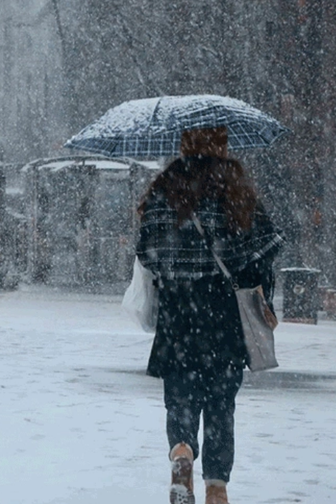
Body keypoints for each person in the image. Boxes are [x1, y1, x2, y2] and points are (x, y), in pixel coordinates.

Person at [135, 127, 284, 504]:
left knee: (181, 395)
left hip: (179, 313)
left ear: (185, 146)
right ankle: (216, 486)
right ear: (223, 145)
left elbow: (147, 253)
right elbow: (263, 250)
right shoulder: (236, 189)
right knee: (220, 403)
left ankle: (182, 452)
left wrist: (178, 269)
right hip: (224, 314)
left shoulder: (164, 189)